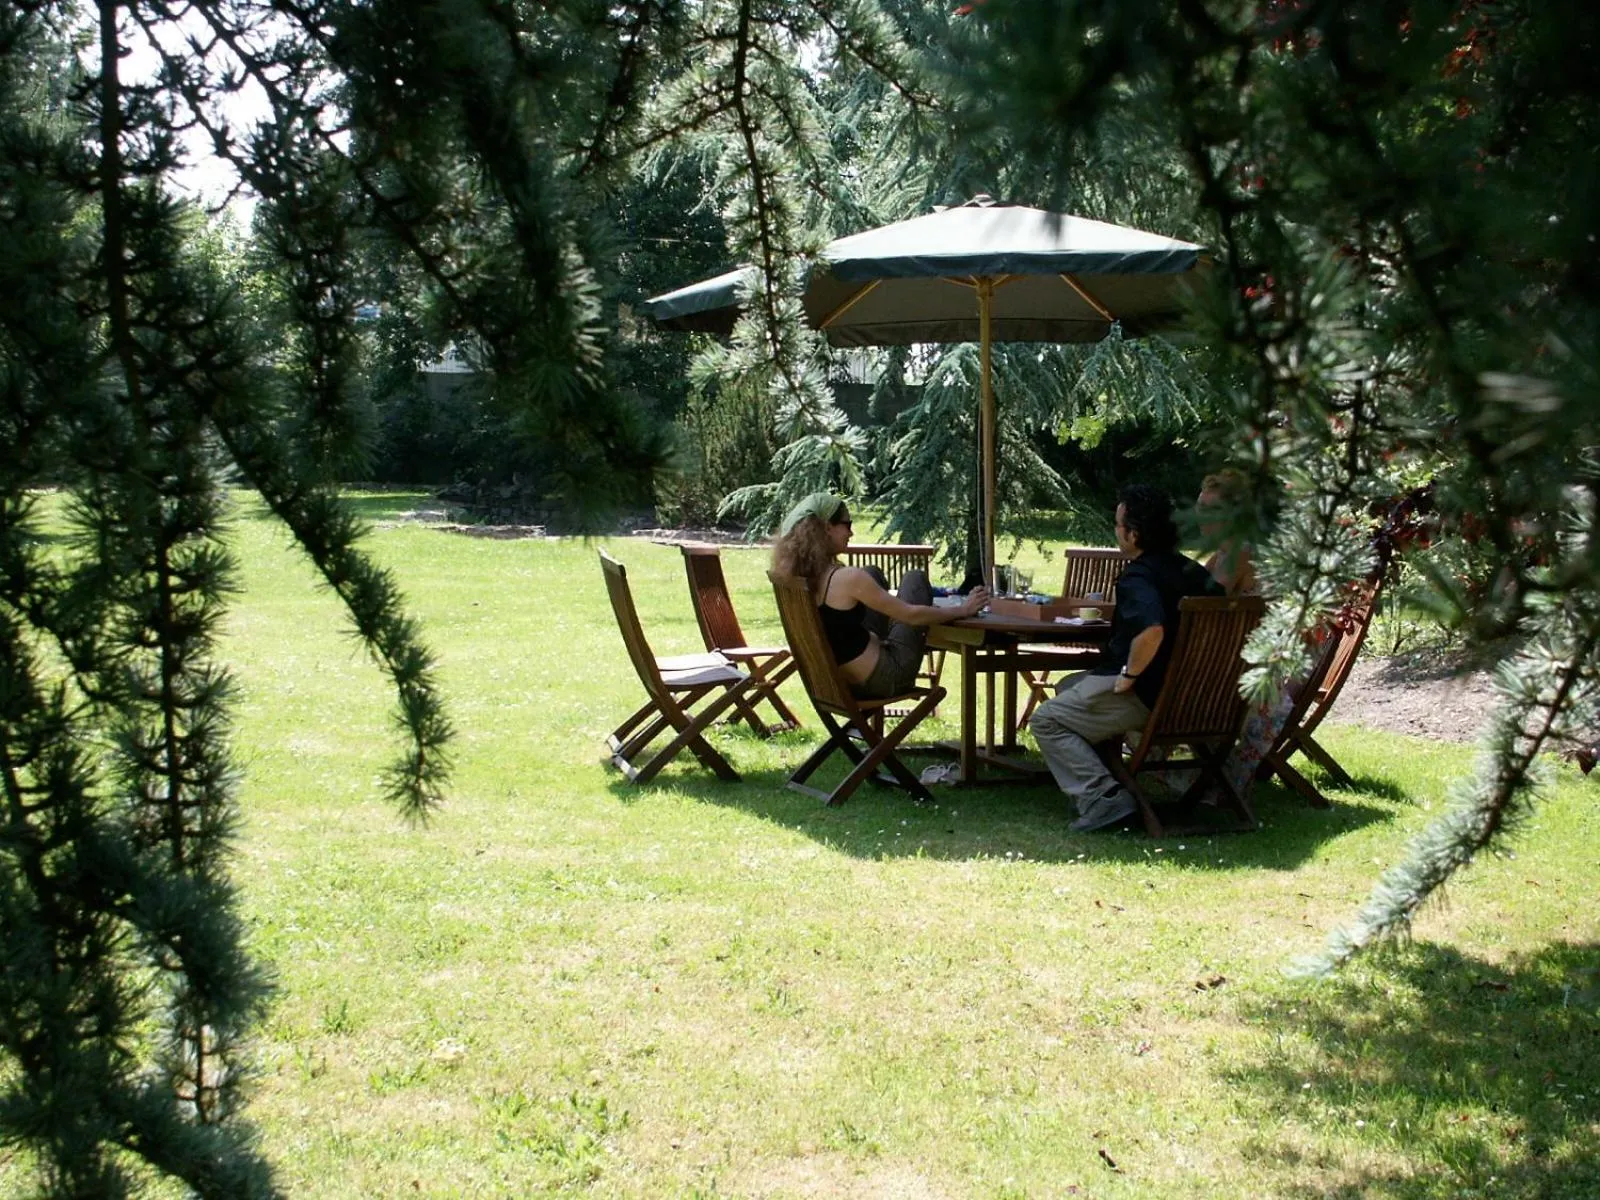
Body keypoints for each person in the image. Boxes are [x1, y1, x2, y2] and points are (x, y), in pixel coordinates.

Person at [1029, 484, 1222, 831]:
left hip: (1153, 697)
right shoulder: (1194, 572)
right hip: (1202, 700)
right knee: (1069, 685)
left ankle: (1103, 797)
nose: (1116, 531)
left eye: (1118, 525)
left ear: (1133, 534)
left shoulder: (1139, 576)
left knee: (1046, 720)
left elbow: (1151, 632)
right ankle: (1107, 773)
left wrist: (1130, 676)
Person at [771, 493, 989, 698]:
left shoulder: (801, 579)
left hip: (843, 684)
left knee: (871, 573)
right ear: (827, 528)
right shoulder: (848, 579)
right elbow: (911, 615)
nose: (851, 533)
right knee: (914, 579)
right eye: (847, 525)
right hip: (888, 677)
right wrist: (963, 609)